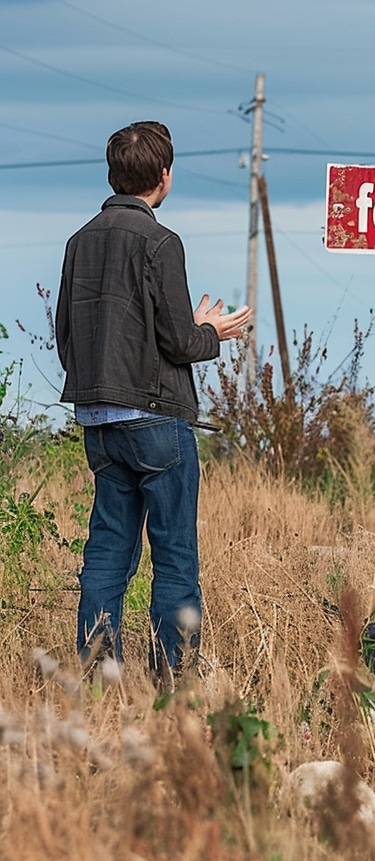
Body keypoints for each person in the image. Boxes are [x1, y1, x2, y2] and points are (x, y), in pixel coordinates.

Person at [56, 121, 252, 686]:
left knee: (107, 553)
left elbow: (69, 334)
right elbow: (178, 342)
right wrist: (212, 330)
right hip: (156, 421)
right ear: (163, 178)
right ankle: (174, 678)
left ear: (114, 174)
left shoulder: (78, 241)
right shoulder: (162, 243)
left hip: (98, 418)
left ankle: (99, 676)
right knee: (174, 558)